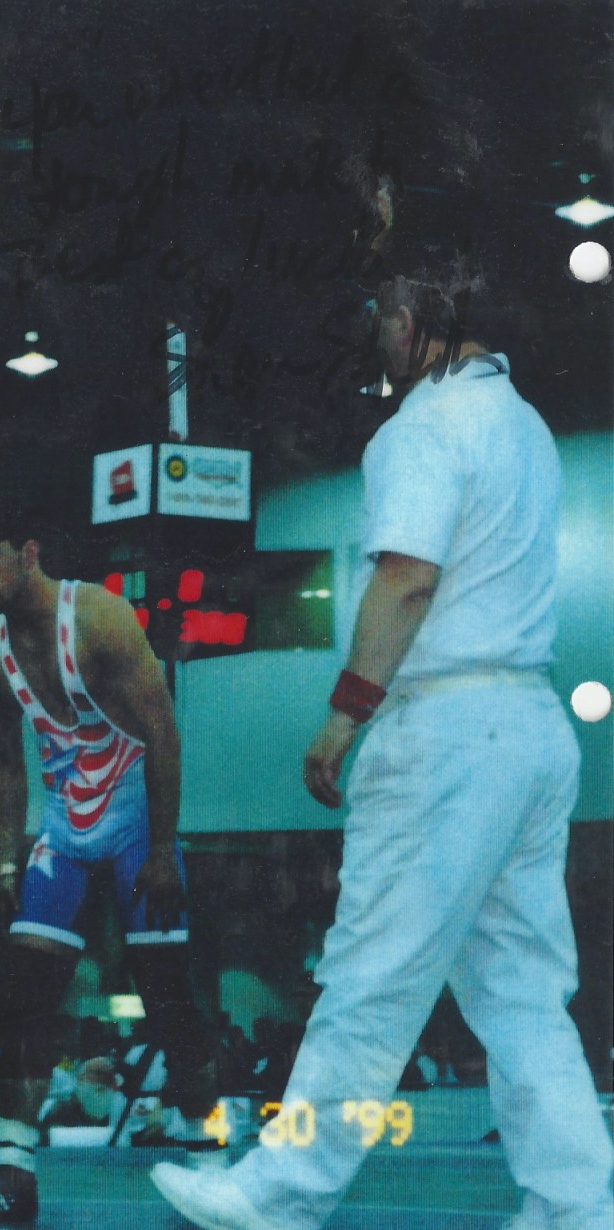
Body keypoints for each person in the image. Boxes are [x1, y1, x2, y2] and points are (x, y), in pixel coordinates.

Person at [151, 268, 614, 1230]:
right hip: (530, 725)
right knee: (524, 992)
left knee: (370, 973)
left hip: (444, 731)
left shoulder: (422, 428)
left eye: (386, 317)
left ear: (415, 321)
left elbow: (406, 578)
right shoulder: (526, 426)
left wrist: (344, 715)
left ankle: (282, 1193)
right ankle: (575, 1205)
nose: (379, 335)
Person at [0, 501, 220, 1225]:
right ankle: (11, 1174)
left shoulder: (97, 617)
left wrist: (162, 847)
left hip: (135, 823)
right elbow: (3, 763)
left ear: (28, 552)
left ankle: (211, 1162)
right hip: (65, 830)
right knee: (26, 997)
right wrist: (7, 863)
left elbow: (163, 733)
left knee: (169, 997)